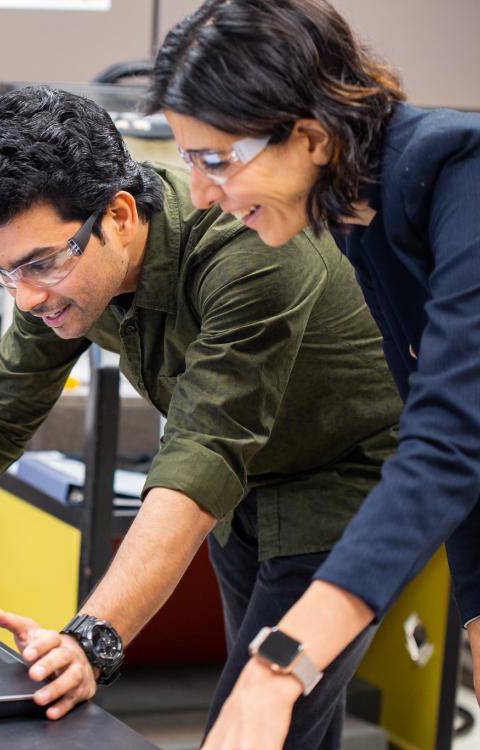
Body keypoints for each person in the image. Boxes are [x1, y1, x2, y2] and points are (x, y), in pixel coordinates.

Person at [0, 85, 402, 743]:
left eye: (40, 264)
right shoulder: (64, 272)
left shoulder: (248, 250)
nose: (27, 297)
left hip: (345, 483)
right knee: (296, 725)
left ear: (119, 215)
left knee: (261, 717)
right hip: (248, 487)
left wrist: (93, 639)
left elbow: (204, 451)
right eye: (4, 272)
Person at [146, 0, 480, 747]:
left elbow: (448, 445)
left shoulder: (460, 177)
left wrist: (280, 667)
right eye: (188, 161)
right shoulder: (363, 220)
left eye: (215, 160)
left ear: (310, 136)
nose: (201, 194)